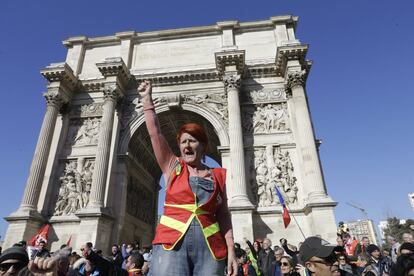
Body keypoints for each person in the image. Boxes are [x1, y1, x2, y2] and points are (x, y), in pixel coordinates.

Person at [138, 80, 237, 276]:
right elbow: (155, 133)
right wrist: (147, 101)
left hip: (210, 248)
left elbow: (224, 214)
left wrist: (231, 250)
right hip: (171, 244)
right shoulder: (172, 165)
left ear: (203, 145)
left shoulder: (219, 175)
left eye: (192, 140)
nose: (187, 146)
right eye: (183, 142)